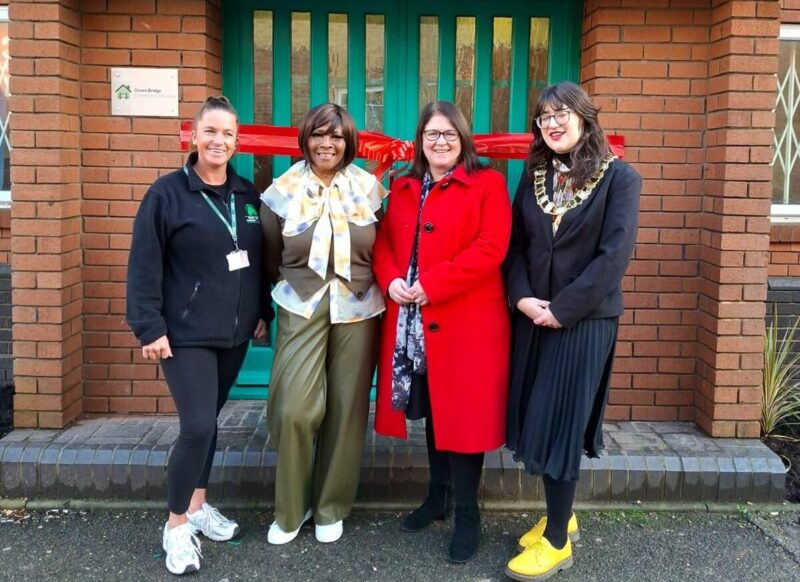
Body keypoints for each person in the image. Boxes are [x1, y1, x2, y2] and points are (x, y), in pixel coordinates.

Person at [503, 82, 641, 581]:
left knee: (560, 423)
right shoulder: (534, 174)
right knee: (535, 418)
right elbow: (516, 247)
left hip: (583, 320)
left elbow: (613, 259)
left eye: (562, 113)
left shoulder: (620, 178)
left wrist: (562, 311)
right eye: (544, 117)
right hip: (533, 315)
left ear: (585, 117)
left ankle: (558, 542)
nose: (553, 123)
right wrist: (522, 298)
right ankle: (561, 516)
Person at [126, 96, 270, 575]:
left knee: (209, 421)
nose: (218, 141)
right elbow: (144, 265)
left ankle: (198, 505)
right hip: (184, 334)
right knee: (198, 427)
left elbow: (257, 260)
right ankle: (176, 526)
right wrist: (149, 327)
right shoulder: (166, 194)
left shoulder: (246, 195)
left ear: (237, 141)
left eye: (228, 134)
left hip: (234, 333)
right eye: (210, 131)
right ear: (193, 135)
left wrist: (261, 310)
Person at [372, 101, 511, 563]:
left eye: (450, 134)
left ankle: (468, 515)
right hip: (413, 322)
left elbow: (491, 247)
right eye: (432, 134)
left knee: (463, 418)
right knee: (434, 409)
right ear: (420, 140)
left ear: (463, 139)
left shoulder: (488, 184)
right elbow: (384, 241)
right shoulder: (403, 184)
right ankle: (438, 498)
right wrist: (391, 279)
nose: (440, 142)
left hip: (466, 322)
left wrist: (434, 284)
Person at [260, 103, 387, 545]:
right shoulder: (281, 191)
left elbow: (382, 246)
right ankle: (291, 508)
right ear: (306, 139)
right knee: (294, 407)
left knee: (347, 409)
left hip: (359, 306)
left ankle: (331, 506)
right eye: (318, 134)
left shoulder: (370, 189)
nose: (327, 143)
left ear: (348, 142)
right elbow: (271, 254)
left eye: (336, 136)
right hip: (301, 303)